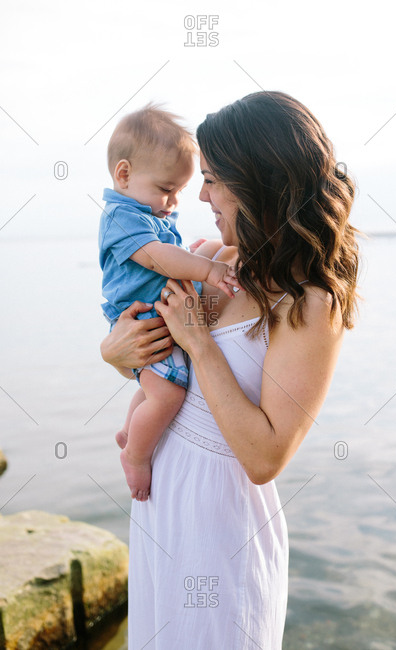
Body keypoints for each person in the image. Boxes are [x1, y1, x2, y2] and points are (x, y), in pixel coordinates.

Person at [100, 91, 360, 649]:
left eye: (215, 179)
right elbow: (168, 371)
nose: (201, 195)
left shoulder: (311, 303)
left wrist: (202, 345)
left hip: (223, 531)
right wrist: (114, 354)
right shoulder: (216, 261)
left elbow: (265, 457)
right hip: (162, 510)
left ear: (260, 182)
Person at [99, 104, 240, 502]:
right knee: (169, 395)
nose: (176, 201)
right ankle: (137, 456)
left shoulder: (145, 212)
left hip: (155, 321)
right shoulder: (121, 218)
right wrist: (206, 270)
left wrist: (195, 256)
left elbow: (170, 250)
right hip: (143, 317)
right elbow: (157, 256)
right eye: (166, 190)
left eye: (179, 190)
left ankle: (131, 431)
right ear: (124, 174)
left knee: (151, 390)